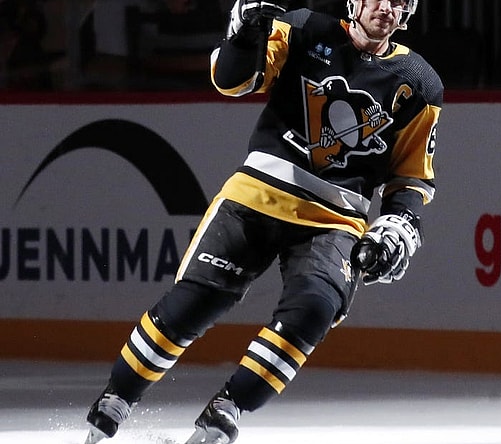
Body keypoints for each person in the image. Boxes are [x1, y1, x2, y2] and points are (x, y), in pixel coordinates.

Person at [84, 0, 442, 443]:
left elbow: (411, 175)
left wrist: (400, 223)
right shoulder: (303, 28)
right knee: (192, 304)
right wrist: (243, 35)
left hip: (336, 218)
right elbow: (231, 82)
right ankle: (116, 399)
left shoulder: (420, 83)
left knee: (314, 308)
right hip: (257, 194)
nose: (385, 6)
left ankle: (227, 408)